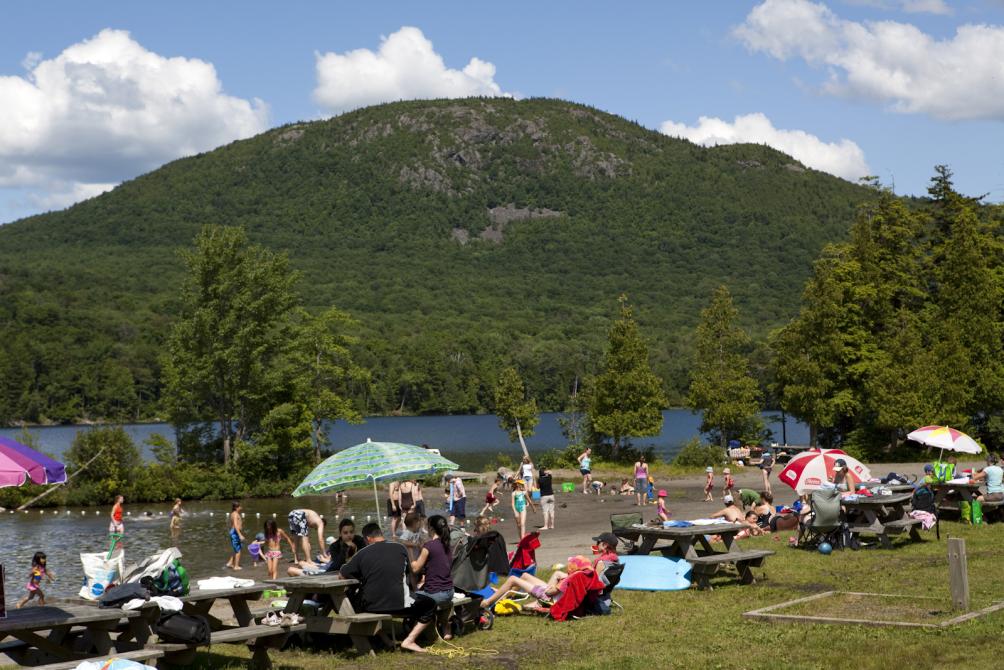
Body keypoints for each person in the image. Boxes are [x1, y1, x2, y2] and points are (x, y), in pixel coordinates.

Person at [339, 522, 438, 653]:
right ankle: (409, 640)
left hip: (371, 605)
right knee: (430, 604)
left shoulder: (362, 553)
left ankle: (384, 640)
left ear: (367, 539)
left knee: (352, 602)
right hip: (400, 603)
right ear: (381, 534)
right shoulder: (400, 548)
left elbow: (342, 574)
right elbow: (410, 573)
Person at [480, 555, 592, 610]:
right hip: (551, 593)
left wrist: (548, 588)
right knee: (524, 575)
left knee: (513, 579)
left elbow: (550, 592)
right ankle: (506, 594)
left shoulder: (568, 580)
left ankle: (488, 602)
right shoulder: (579, 576)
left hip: (547, 596)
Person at [409, 515, 455, 638]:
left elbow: (415, 568)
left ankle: (424, 630)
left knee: (410, 596)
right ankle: (446, 629)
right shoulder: (447, 545)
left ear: (431, 529)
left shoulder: (429, 546)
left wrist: (410, 551)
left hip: (435, 594)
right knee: (429, 592)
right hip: (449, 592)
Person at [227, 501, 245, 570]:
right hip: (235, 533)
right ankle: (236, 566)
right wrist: (240, 535)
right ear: (236, 507)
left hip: (235, 533)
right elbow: (235, 525)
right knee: (238, 550)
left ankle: (230, 563)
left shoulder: (235, 513)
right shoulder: (235, 514)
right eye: (239, 506)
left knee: (236, 549)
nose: (241, 507)